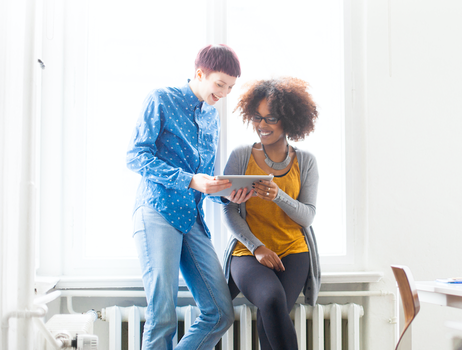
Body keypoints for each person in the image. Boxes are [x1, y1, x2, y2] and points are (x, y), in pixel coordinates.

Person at [126, 44, 252, 349]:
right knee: (163, 315)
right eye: (219, 84)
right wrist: (188, 179)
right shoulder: (162, 99)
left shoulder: (213, 118)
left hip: (191, 219)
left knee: (220, 313)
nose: (223, 93)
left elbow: (205, 178)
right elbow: (135, 156)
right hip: (158, 210)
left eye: (230, 87)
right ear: (200, 74)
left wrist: (226, 195)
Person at [222, 77, 321, 350]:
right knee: (272, 300)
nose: (262, 126)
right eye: (257, 117)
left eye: (271, 119)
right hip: (249, 251)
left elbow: (307, 217)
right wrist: (257, 247)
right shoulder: (242, 155)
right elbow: (229, 210)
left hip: (293, 250)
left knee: (271, 319)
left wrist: (278, 196)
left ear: (289, 121)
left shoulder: (306, 161)